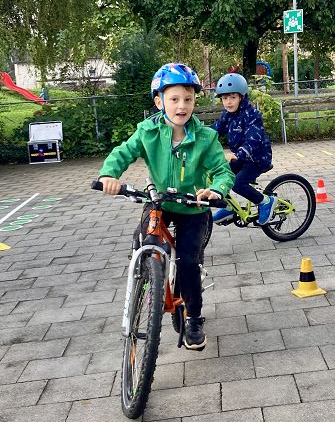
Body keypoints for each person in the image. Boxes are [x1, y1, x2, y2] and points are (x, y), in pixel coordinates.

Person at [97, 63, 234, 350]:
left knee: (188, 262)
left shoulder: (206, 138)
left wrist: (215, 190)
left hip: (192, 208)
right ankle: (147, 279)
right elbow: (124, 152)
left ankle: (193, 319)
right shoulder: (147, 131)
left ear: (195, 101)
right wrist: (109, 174)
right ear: (159, 102)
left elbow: (222, 171)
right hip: (159, 202)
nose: (182, 105)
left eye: (188, 99)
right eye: (174, 99)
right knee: (143, 241)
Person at [207, 73, 275, 225]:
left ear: (241, 97)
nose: (228, 102)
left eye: (232, 97)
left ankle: (265, 201)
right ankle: (229, 207)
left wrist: (237, 155)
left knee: (238, 184)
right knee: (217, 174)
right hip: (241, 158)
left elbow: (253, 139)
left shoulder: (252, 115)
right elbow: (215, 129)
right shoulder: (228, 114)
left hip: (257, 159)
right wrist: (198, 135)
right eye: (225, 98)